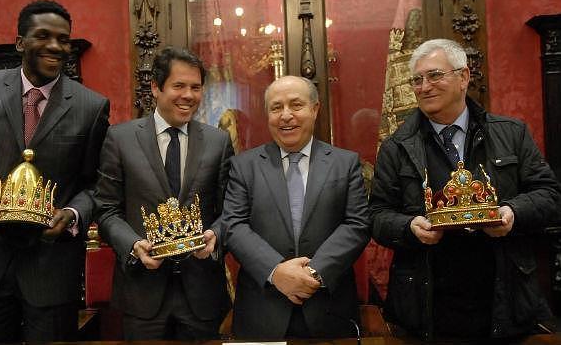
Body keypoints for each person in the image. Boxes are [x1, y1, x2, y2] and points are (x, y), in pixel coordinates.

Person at [369, 38, 561, 341]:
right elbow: (377, 216)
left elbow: (550, 196)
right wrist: (410, 227)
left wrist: (512, 214)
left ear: (463, 77)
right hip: (427, 303)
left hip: (503, 297)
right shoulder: (396, 147)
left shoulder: (510, 133)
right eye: (417, 80)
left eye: (434, 75)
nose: (424, 86)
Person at [0, 0, 110, 343]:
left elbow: (96, 183)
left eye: (63, 39)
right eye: (43, 36)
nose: (55, 46)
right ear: (20, 42)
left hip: (51, 270)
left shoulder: (91, 106)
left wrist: (73, 214)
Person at [94, 46, 233, 340]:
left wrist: (216, 235)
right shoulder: (120, 139)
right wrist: (133, 245)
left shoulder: (218, 143)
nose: (189, 95)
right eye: (179, 86)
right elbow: (105, 209)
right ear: (156, 87)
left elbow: (230, 211)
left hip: (202, 293)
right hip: (141, 294)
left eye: (196, 87)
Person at [222, 75, 370, 339]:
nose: (286, 115)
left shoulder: (344, 163)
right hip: (262, 310)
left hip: (329, 308)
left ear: (315, 109)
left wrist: (312, 274)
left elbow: (357, 224)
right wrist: (276, 271)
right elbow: (234, 225)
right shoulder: (244, 166)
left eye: (296, 105)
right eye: (276, 108)